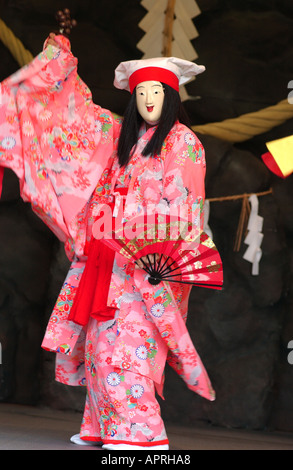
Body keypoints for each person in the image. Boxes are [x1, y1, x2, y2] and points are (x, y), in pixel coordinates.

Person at [0, 32, 215, 450]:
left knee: (129, 343)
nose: (149, 99)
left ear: (171, 97)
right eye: (141, 92)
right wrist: (58, 72)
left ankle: (141, 436)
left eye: (157, 91)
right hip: (108, 258)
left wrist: (142, 241)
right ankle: (102, 424)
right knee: (102, 341)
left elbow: (183, 205)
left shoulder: (184, 143)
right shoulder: (125, 142)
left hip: (146, 263)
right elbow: (79, 121)